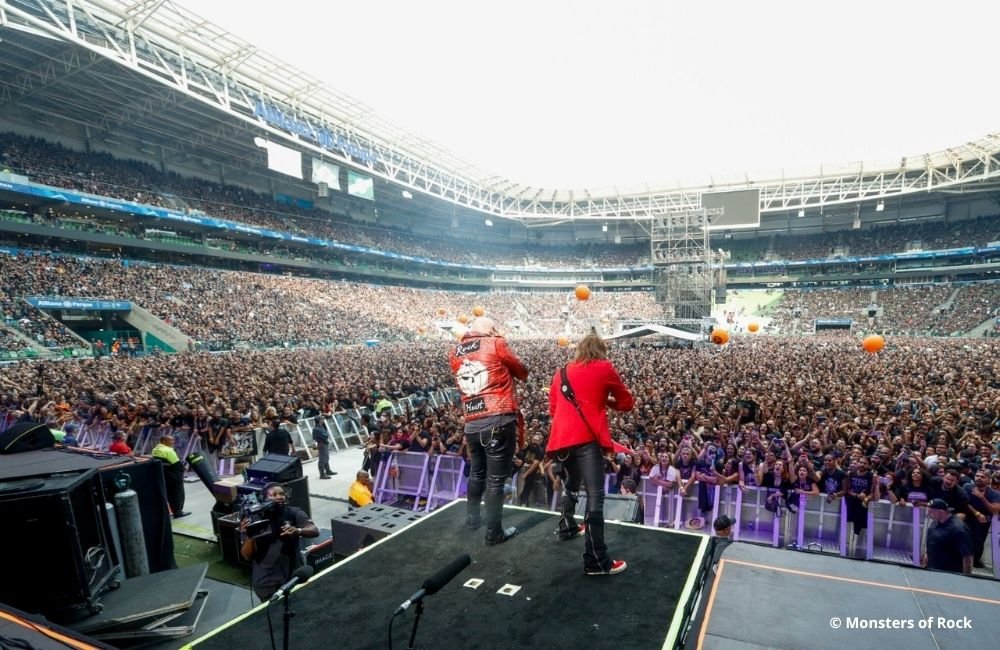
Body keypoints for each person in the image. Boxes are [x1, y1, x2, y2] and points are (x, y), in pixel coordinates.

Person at [547, 331, 634, 575]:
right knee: (595, 496)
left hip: (562, 439)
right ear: (602, 350)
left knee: (571, 485)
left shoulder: (561, 371)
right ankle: (596, 560)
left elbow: (553, 407)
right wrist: (604, 401)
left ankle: (566, 527)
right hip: (586, 439)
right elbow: (627, 403)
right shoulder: (604, 367)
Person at [448, 316, 529, 546]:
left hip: (472, 423)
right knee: (495, 480)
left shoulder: (455, 352)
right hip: (498, 420)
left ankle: (472, 520)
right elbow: (522, 372)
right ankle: (494, 533)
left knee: (477, 473)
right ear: (491, 329)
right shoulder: (496, 343)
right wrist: (499, 340)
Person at [239, 482, 319, 601]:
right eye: (273, 495)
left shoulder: (293, 512)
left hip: (294, 575)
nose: (279, 497)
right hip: (267, 582)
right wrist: (250, 536)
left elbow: (314, 530)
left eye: (281, 494)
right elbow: (246, 555)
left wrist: (299, 530)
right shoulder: (254, 520)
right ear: (263, 499)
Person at [922, 498, 973, 575]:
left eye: (930, 512)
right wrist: (927, 555)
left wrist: (966, 578)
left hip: (949, 573)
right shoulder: (936, 522)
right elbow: (932, 540)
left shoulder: (958, 530)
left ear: (940, 512)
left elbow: (967, 557)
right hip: (932, 569)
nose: (928, 514)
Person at [152, 434, 188, 518]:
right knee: (178, 494)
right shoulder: (168, 450)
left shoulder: (155, 449)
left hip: (164, 475)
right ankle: (178, 512)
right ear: (164, 441)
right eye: (170, 440)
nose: (173, 442)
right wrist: (184, 469)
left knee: (169, 494)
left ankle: (172, 510)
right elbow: (176, 464)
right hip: (174, 476)